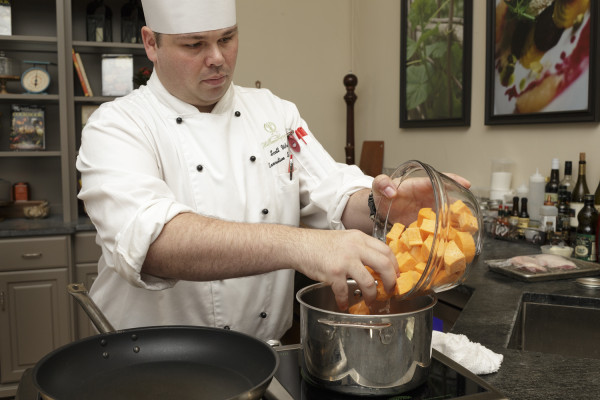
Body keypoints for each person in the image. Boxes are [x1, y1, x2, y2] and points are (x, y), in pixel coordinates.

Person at [76, 0, 469, 341]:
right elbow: (155, 244)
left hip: (261, 358)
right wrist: (301, 245)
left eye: (227, 38)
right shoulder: (117, 126)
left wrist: (380, 203)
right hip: (150, 364)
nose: (216, 57)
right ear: (151, 43)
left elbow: (330, 189)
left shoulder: (274, 114)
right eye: (194, 44)